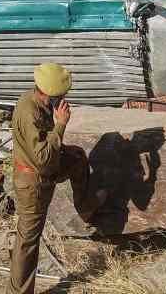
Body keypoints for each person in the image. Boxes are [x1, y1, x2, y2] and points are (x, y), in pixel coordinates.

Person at [8, 63, 106, 294]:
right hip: (34, 182)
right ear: (47, 94)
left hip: (45, 168)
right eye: (59, 96)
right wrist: (61, 124)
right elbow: (42, 158)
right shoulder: (29, 112)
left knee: (77, 157)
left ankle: (85, 208)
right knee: (28, 242)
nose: (62, 99)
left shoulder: (37, 102)